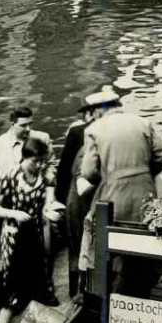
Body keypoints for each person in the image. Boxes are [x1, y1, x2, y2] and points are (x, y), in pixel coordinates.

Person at [77, 86, 162, 293]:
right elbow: (161, 156)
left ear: (99, 110)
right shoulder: (142, 122)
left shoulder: (94, 129)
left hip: (113, 195)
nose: (92, 116)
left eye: (92, 112)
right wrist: (144, 173)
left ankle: (99, 292)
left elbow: (89, 172)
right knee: (145, 235)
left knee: (96, 235)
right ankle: (141, 288)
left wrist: (110, 176)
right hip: (145, 192)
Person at [0, 135, 59, 323]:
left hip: (35, 231)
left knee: (40, 274)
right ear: (24, 157)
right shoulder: (11, 177)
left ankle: (38, 321)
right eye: (35, 161)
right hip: (14, 234)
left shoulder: (43, 177)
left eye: (42, 160)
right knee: (12, 282)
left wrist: (51, 210)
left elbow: (47, 204)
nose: (39, 165)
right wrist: (14, 213)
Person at [0, 107, 58, 256]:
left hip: (36, 197)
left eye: (31, 124)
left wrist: (48, 185)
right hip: (9, 198)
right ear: (12, 124)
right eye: (23, 125)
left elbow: (51, 164)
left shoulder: (43, 138)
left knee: (43, 248)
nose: (28, 129)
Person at [56, 94, 99, 299]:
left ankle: (75, 293)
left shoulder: (76, 132)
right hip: (100, 196)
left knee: (76, 245)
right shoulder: (109, 131)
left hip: (78, 197)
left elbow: (64, 169)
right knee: (96, 245)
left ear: (88, 113)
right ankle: (92, 291)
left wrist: (59, 199)